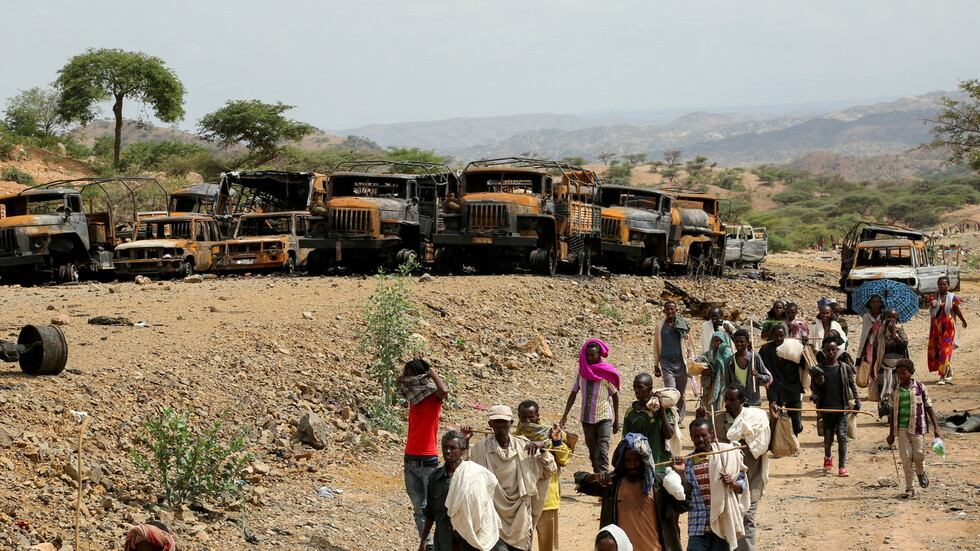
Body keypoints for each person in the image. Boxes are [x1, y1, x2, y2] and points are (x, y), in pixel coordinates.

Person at [575, 434, 691, 551]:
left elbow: (683, 505)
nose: (632, 465)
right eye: (628, 460)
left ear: (644, 460)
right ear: (622, 461)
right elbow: (580, 480)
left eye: (636, 460)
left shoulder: (659, 484)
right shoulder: (612, 484)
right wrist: (594, 476)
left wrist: (681, 474)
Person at [469, 405, 557, 551]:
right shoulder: (480, 449)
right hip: (493, 514)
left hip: (520, 515)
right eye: (497, 422)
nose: (501, 425)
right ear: (490, 424)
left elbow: (550, 471)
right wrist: (465, 442)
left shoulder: (525, 447)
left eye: (504, 421)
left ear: (511, 423)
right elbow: (467, 475)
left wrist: (543, 450)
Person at [697, 388, 773, 551]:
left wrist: (774, 420)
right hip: (722, 482)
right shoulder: (716, 421)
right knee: (726, 518)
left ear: (742, 400)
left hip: (751, 479)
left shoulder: (756, 420)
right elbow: (703, 449)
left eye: (732, 400)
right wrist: (700, 420)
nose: (727, 404)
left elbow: (768, 445)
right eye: (726, 400)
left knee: (747, 519)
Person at [420, 430, 505, 551]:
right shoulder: (435, 478)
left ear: (463, 450)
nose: (447, 451)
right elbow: (430, 513)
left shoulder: (475, 475)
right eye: (445, 447)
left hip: (469, 543)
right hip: (444, 542)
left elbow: (484, 511)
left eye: (453, 447)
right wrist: (423, 540)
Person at [398, 359, 451, 549]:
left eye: (410, 372)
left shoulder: (431, 396)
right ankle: (427, 544)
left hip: (428, 461)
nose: (406, 375)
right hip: (409, 460)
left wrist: (432, 374)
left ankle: (441, 543)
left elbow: (444, 391)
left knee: (435, 509)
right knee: (419, 509)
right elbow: (400, 382)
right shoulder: (413, 395)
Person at [684, 418, 749, 551]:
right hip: (697, 526)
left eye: (704, 435)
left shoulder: (725, 458)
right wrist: (678, 470)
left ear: (712, 435)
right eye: (696, 436)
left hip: (722, 524)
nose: (700, 439)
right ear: (691, 437)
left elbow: (742, 485)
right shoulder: (687, 463)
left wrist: (732, 483)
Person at [516, 400, 571, 551]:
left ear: (538, 416)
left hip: (548, 497)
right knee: (521, 541)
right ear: (518, 417)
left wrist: (557, 441)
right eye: (523, 417)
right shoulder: (515, 437)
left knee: (547, 544)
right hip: (523, 496)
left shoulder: (551, 434)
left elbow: (564, 459)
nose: (527, 421)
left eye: (531, 417)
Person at [561, 339, 621, 473]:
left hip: (604, 417)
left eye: (592, 355)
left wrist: (617, 419)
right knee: (593, 453)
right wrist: (565, 415)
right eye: (587, 355)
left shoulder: (605, 374)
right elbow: (573, 393)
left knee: (603, 450)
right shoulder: (581, 372)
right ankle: (598, 475)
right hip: (587, 419)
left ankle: (604, 481)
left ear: (599, 355)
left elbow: (615, 395)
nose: (589, 358)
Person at [886, 360, 941, 499]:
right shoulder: (895, 391)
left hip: (918, 428)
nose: (901, 376)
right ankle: (909, 488)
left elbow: (928, 406)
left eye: (904, 373)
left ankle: (921, 472)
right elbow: (892, 413)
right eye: (898, 373)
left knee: (918, 456)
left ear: (911, 373)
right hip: (902, 429)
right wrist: (891, 434)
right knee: (906, 458)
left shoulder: (920, 388)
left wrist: (936, 426)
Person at [810, 338, 860, 477]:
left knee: (842, 436)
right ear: (823, 351)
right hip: (826, 408)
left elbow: (852, 385)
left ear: (837, 350)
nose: (831, 352)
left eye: (833, 350)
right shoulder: (819, 369)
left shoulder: (844, 368)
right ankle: (827, 457)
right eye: (828, 350)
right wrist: (818, 381)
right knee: (828, 437)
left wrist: (857, 401)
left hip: (842, 408)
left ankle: (842, 466)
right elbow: (813, 389)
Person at [623, 374, 677, 470]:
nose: (636, 391)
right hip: (642, 466)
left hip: (662, 464)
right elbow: (628, 442)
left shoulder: (663, 410)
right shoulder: (631, 413)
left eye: (640, 387)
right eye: (634, 387)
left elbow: (669, 434)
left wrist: (661, 409)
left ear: (650, 388)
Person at [653, 301, 696, 421]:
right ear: (664, 311)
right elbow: (656, 346)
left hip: (681, 363)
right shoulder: (660, 326)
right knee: (671, 393)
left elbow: (690, 345)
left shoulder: (683, 325)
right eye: (667, 309)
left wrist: (691, 362)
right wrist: (656, 364)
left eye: (672, 309)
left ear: (676, 310)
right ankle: (671, 418)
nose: (670, 311)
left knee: (681, 395)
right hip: (666, 363)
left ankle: (680, 419)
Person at [759, 326, 804, 435]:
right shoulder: (766, 349)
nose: (778, 338)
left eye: (781, 336)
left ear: (785, 336)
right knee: (775, 417)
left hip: (792, 387)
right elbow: (758, 364)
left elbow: (804, 365)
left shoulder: (794, 348)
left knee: (795, 419)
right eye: (776, 336)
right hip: (774, 388)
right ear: (772, 336)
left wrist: (806, 348)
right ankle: (775, 442)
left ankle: (794, 441)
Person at [927, 276, 968, 385]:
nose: (942, 286)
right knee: (938, 350)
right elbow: (933, 305)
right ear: (937, 285)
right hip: (936, 327)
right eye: (940, 284)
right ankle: (948, 370)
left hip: (948, 326)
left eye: (944, 284)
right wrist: (936, 295)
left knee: (945, 350)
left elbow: (957, 311)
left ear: (948, 285)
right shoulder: (933, 296)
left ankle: (941, 376)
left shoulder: (953, 298)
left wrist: (963, 321)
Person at [869, 308, 909, 417]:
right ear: (884, 318)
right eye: (888, 317)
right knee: (884, 392)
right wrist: (872, 368)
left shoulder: (900, 331)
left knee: (896, 392)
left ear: (897, 319)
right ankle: (887, 415)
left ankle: (896, 415)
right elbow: (876, 350)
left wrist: (893, 333)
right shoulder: (880, 332)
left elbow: (903, 345)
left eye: (893, 317)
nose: (891, 319)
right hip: (884, 366)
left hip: (898, 368)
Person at [723, 330, 771, 408]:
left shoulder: (755, 357)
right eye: (737, 341)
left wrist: (759, 376)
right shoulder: (729, 361)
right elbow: (727, 384)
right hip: (737, 403)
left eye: (742, 342)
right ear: (733, 342)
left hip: (754, 401)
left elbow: (768, 378)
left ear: (747, 343)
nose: (739, 344)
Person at [698, 332, 733, 412]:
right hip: (710, 384)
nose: (718, 343)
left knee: (721, 403)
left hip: (723, 384)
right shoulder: (708, 354)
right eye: (716, 340)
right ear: (712, 342)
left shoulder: (728, 354)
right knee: (709, 405)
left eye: (720, 341)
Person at [857, 294, 885, 389]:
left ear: (881, 303)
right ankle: (872, 386)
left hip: (881, 343)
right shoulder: (866, 316)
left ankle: (880, 386)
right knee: (870, 363)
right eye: (873, 302)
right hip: (871, 344)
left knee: (880, 364)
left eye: (877, 302)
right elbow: (864, 333)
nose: (875, 304)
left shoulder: (884, 315)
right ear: (870, 303)